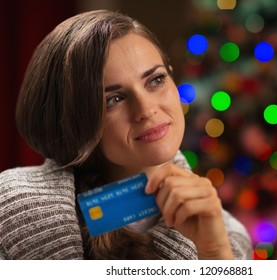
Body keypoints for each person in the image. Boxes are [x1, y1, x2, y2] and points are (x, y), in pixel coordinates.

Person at [0, 10, 252, 260]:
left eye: (155, 80)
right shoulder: (8, 214)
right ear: (71, 120)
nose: (146, 109)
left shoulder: (231, 239)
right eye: (114, 99)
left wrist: (216, 255)